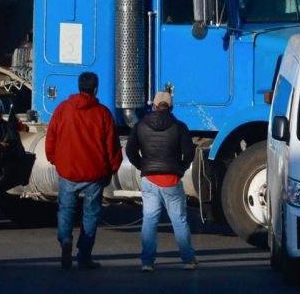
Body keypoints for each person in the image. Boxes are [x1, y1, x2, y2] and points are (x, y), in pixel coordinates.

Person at [45, 71, 122, 270]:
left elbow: (51, 137)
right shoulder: (103, 113)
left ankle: (65, 239)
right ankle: (84, 255)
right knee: (91, 214)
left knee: (66, 210)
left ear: (78, 87)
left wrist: (55, 159)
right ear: (95, 89)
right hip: (94, 173)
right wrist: (112, 168)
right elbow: (111, 145)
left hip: (68, 170)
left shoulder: (62, 109)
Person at [126, 90, 197, 271]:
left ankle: (147, 262)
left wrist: (142, 165)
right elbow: (189, 152)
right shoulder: (180, 127)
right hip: (172, 178)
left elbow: (130, 151)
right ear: (171, 107)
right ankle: (188, 260)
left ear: (155, 106)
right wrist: (180, 168)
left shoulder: (140, 125)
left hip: (149, 178)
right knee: (179, 220)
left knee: (149, 220)